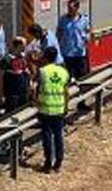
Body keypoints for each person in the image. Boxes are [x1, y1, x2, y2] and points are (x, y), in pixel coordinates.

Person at [36, 46, 70, 174]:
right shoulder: (63, 72)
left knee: (46, 135)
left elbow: (35, 88)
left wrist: (34, 101)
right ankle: (59, 162)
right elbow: (66, 92)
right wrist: (66, 106)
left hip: (45, 108)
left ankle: (48, 162)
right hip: (59, 108)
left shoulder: (42, 71)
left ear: (45, 57)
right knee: (58, 136)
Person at [56, 0, 91, 79]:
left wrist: (87, 39)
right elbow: (59, 33)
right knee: (66, 77)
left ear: (77, 8)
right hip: (67, 53)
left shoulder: (84, 20)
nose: (69, 10)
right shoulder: (63, 20)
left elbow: (88, 32)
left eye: (71, 8)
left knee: (81, 76)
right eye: (68, 8)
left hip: (79, 53)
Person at [0, 36, 31, 110]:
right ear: (19, 45)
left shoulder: (23, 59)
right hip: (12, 94)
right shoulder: (6, 59)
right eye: (24, 45)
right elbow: (0, 78)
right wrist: (1, 95)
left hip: (23, 94)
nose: (25, 47)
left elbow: (27, 74)